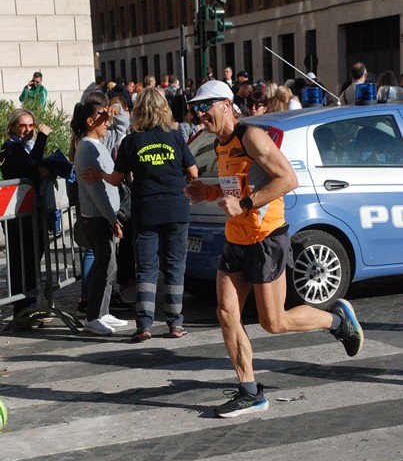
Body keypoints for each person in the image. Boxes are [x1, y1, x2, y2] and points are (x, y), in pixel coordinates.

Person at [185, 80, 364, 418]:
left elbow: (287, 179)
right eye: (195, 108)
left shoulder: (250, 136)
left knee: (274, 322)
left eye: (204, 106)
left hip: (266, 239)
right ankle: (249, 391)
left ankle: (336, 321)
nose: (199, 114)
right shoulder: (221, 145)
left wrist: (247, 203)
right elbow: (234, 191)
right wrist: (205, 193)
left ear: (225, 104)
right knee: (226, 314)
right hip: (236, 240)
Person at [82, 88, 198, 342]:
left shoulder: (131, 141)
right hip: (176, 209)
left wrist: (99, 174)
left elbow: (115, 179)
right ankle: (175, 324)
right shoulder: (176, 137)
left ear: (140, 112)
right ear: (163, 109)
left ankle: (144, 325)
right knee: (175, 267)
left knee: (145, 268)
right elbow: (194, 172)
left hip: (146, 211)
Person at [70, 100, 127, 335]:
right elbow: (96, 191)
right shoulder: (86, 149)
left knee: (109, 264)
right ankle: (93, 316)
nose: (108, 120)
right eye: (102, 116)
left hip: (104, 216)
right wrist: (111, 219)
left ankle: (102, 312)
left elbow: (122, 125)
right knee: (105, 265)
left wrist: (116, 108)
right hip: (97, 217)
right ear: (90, 121)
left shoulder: (98, 142)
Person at [0, 108, 52, 327]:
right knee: (21, 260)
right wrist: (43, 137)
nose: (29, 130)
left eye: (32, 126)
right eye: (23, 126)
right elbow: (30, 167)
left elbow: (34, 165)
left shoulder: (25, 147)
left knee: (33, 257)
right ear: (13, 127)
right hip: (18, 216)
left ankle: (31, 303)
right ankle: (22, 308)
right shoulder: (11, 147)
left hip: (32, 212)